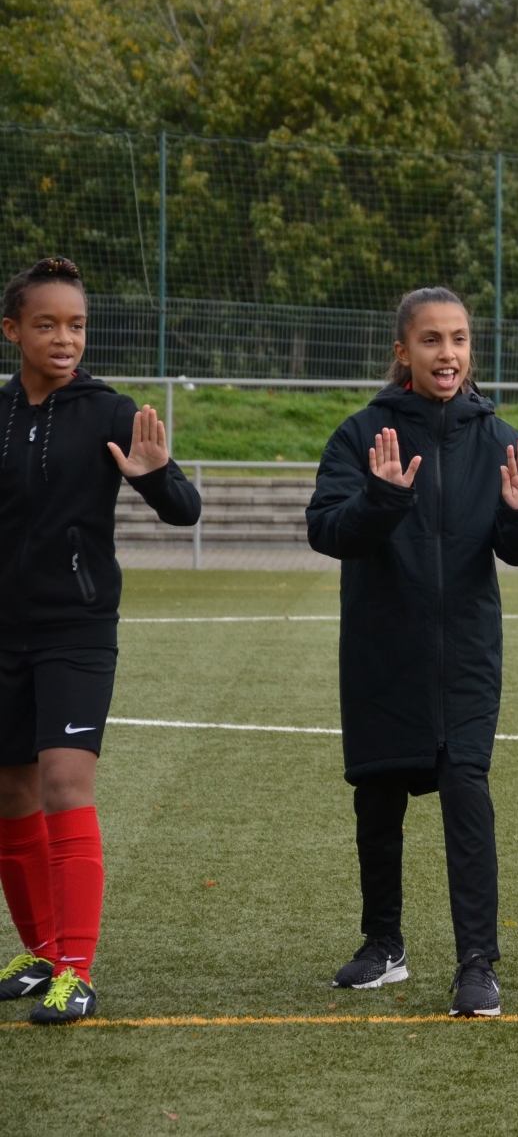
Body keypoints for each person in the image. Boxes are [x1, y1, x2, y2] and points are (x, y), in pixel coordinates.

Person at [306, 286, 518, 1019]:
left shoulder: (498, 438)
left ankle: (477, 963)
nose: (448, 354)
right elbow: (327, 530)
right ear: (403, 352)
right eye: (431, 340)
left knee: (466, 790)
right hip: (382, 649)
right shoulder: (362, 435)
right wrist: (381, 499)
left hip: (468, 654)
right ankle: (383, 944)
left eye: (459, 339)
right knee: (379, 794)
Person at [0, 257, 201, 1026]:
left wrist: (153, 473)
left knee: (62, 783)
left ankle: (75, 972)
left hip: (76, 629)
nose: (65, 338)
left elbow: (185, 507)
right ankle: (42, 951)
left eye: (77, 325)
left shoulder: (110, 411)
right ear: (12, 330)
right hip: (4, 632)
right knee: (10, 793)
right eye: (47, 324)